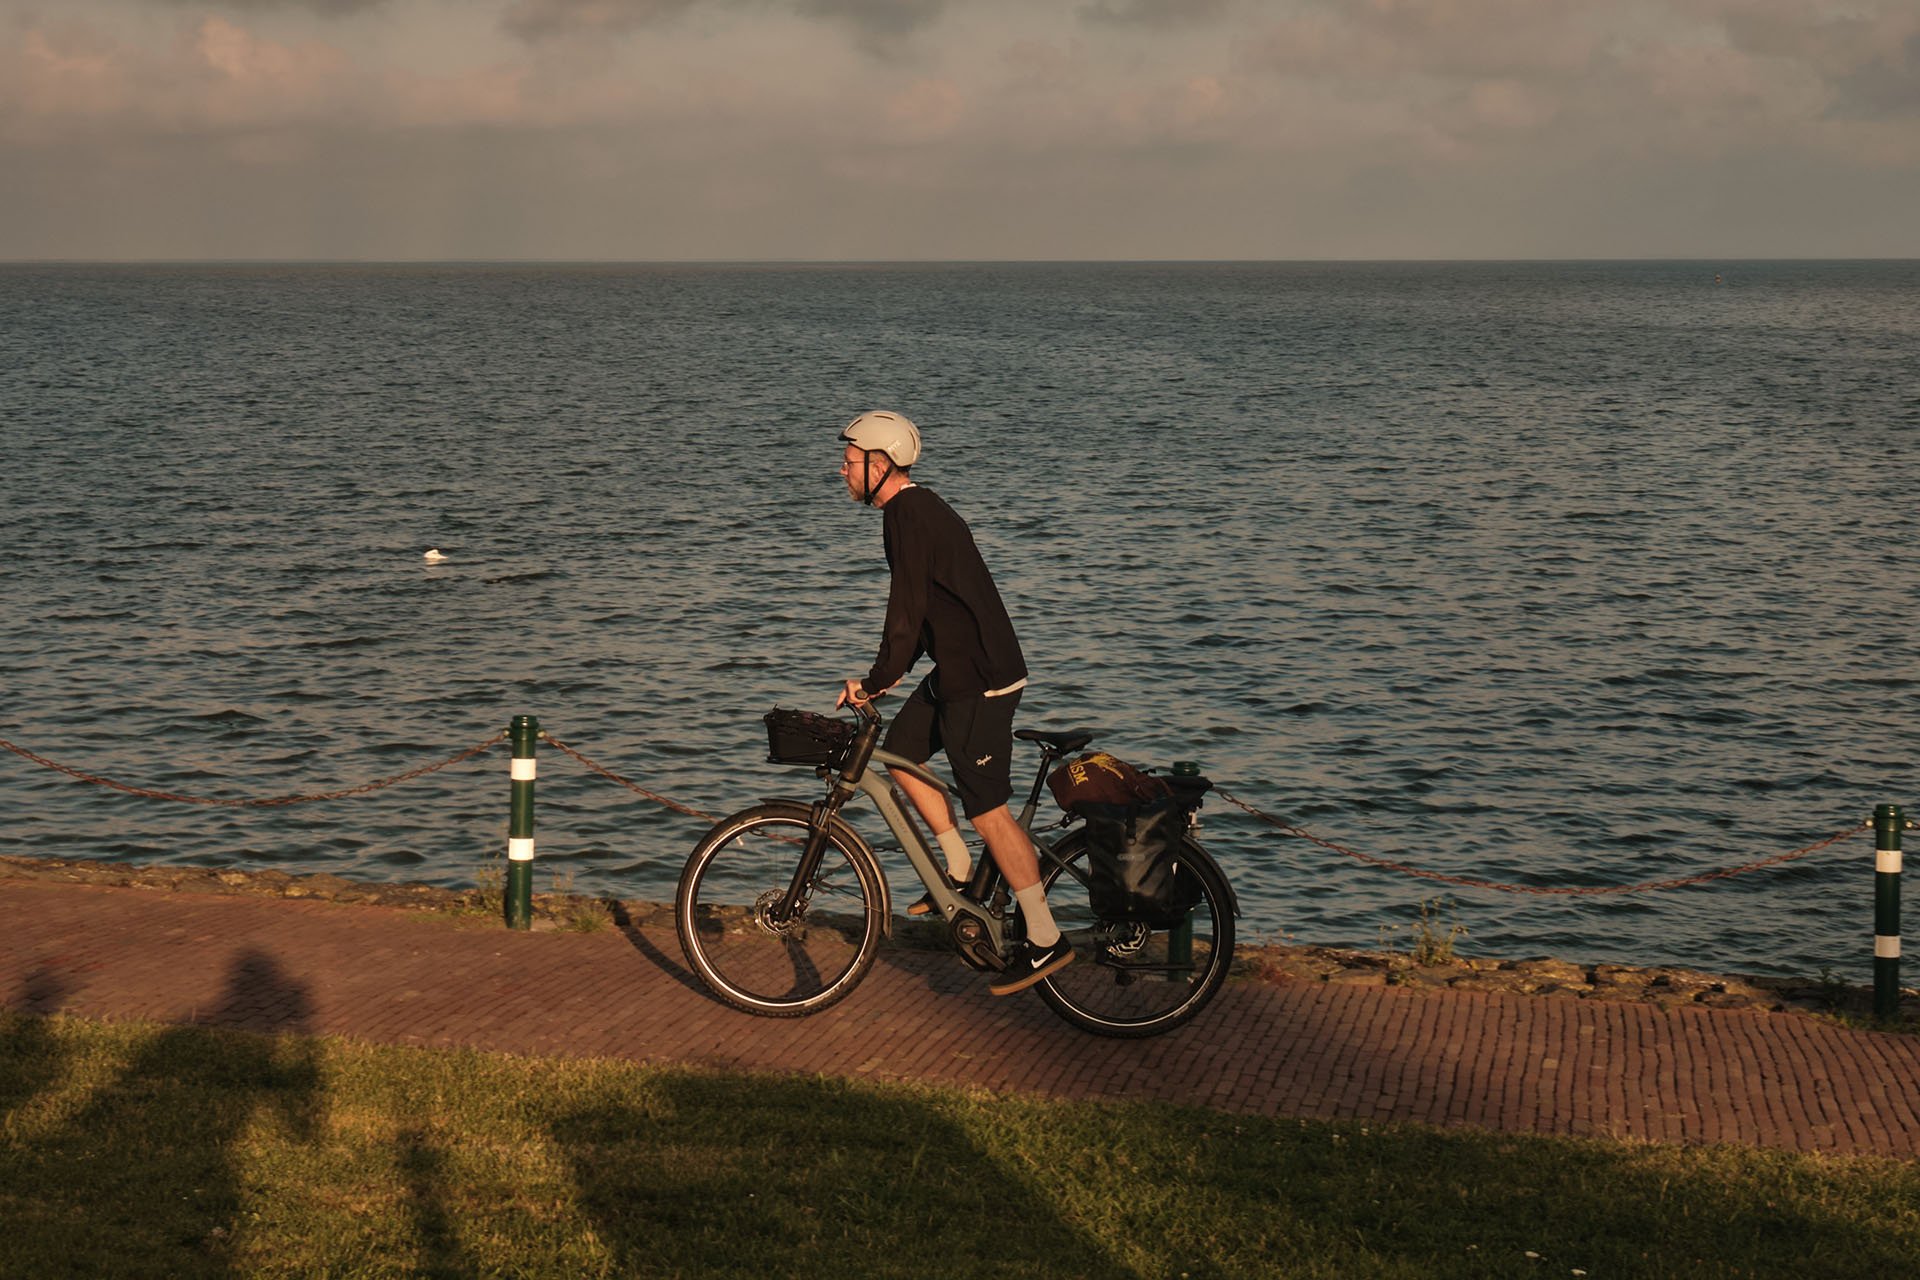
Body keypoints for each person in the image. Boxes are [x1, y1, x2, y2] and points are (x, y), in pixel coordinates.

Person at [832, 409, 1073, 995]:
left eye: (850, 461)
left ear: (880, 464)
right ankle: (960, 871)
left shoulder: (909, 515)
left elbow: (906, 607)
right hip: (957, 668)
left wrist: (878, 676)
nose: (842, 470)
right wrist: (891, 674)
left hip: (981, 679)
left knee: (987, 811)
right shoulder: (913, 510)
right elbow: (930, 607)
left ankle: (1045, 938)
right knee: (901, 754)